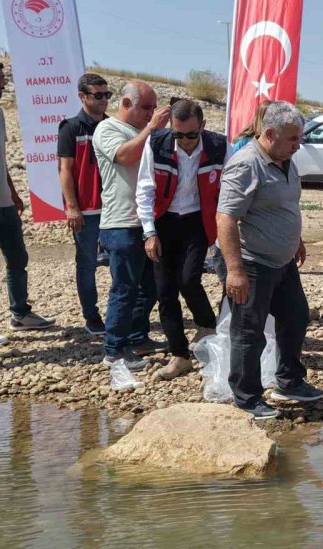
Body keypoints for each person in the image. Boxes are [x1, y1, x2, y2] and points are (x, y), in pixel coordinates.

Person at [217, 101, 323, 420]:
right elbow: (225, 219)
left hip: (283, 262)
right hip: (252, 263)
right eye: (292, 139)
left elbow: (283, 205)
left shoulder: (285, 160)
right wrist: (235, 271)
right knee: (249, 331)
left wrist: (296, 239)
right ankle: (246, 396)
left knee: (295, 317)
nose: (298, 144)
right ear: (269, 134)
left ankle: (289, 381)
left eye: (299, 138)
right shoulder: (246, 164)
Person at [136, 99, 227, 380]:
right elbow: (145, 189)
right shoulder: (156, 143)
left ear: (202, 126)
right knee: (165, 292)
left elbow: (231, 188)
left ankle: (207, 325)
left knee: (189, 279)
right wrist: (150, 232)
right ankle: (180, 356)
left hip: (197, 221)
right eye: (178, 134)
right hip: (164, 222)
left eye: (191, 134)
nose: (185, 141)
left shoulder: (219, 146)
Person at [0, 57, 54, 347]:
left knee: (18, 258)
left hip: (3, 201)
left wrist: (13, 192)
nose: (5, 83)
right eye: (1, 77)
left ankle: (21, 313)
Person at [92, 80, 170, 369]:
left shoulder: (143, 131)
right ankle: (114, 349)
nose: (151, 114)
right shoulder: (107, 128)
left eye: (153, 108)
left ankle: (137, 336)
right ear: (126, 104)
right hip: (121, 222)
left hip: (148, 222)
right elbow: (124, 156)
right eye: (146, 108)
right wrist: (152, 130)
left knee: (149, 286)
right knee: (124, 288)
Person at [58, 73, 111, 335]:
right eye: (97, 95)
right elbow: (65, 170)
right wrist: (72, 206)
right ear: (82, 96)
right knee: (87, 263)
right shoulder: (70, 127)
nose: (103, 100)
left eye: (107, 95)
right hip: (86, 210)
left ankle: (119, 314)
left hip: (114, 208)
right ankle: (91, 316)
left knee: (119, 262)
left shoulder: (112, 126)